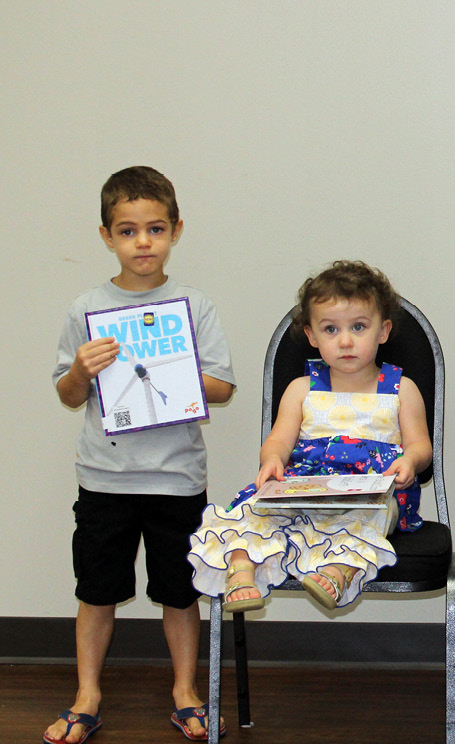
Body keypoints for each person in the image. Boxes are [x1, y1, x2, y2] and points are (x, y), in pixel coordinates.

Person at [48, 166, 236, 744]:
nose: (143, 242)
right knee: (96, 591)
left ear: (176, 230)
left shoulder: (194, 305)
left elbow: (224, 388)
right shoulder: (87, 307)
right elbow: (67, 392)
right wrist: (80, 369)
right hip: (104, 478)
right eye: (127, 231)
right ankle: (87, 696)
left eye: (155, 229)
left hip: (177, 479)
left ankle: (185, 692)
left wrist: (178, 373)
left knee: (180, 593)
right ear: (106, 236)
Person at [188, 260, 431, 613]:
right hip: (306, 486)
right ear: (312, 336)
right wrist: (272, 459)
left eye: (359, 327)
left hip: (373, 491)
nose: (345, 341)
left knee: (369, 520)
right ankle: (242, 569)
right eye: (330, 330)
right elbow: (278, 442)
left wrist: (410, 461)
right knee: (251, 510)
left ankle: (339, 571)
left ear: (383, 330)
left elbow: (421, 446)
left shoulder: (401, 390)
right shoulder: (301, 389)